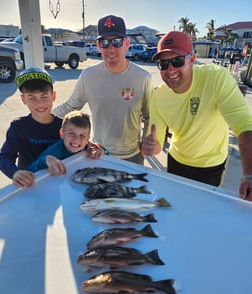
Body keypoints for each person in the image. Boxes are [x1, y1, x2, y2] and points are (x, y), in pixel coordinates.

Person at [141, 31, 252, 202]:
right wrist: (151, 147)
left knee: (203, 210)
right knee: (175, 206)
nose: (170, 70)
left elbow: (244, 125)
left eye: (177, 61)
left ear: (192, 60)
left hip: (210, 165)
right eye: (163, 64)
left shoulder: (216, 77)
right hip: (176, 160)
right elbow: (157, 142)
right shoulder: (158, 96)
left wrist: (249, 175)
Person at [52, 14, 153, 165]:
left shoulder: (143, 78)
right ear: (98, 45)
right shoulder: (88, 76)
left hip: (133, 156)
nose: (111, 48)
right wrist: (39, 119)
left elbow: (149, 116)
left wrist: (146, 141)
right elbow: (70, 107)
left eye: (116, 42)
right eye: (105, 42)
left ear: (126, 43)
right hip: (98, 154)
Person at [0, 67, 62, 188]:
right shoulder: (18, 127)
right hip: (29, 186)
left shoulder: (64, 125)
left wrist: (90, 147)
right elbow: (4, 158)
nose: (39, 103)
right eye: (32, 98)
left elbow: (79, 144)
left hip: (59, 183)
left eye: (44, 96)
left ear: (53, 96)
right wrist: (15, 172)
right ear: (23, 99)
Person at [26, 110, 105, 176]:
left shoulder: (88, 147)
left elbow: (106, 156)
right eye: (71, 134)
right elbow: (28, 170)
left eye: (82, 136)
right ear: (62, 134)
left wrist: (101, 151)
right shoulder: (54, 152)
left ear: (88, 139)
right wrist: (45, 160)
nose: (76, 140)